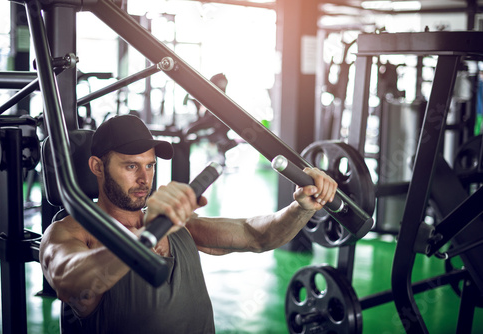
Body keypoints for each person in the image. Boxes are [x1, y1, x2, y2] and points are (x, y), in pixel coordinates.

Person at [39, 114, 337, 333]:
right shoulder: (71, 232)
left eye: (150, 165)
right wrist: (145, 236)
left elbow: (257, 235)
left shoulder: (178, 226)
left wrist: (301, 206)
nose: (145, 179)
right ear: (97, 167)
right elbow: (70, 283)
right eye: (131, 166)